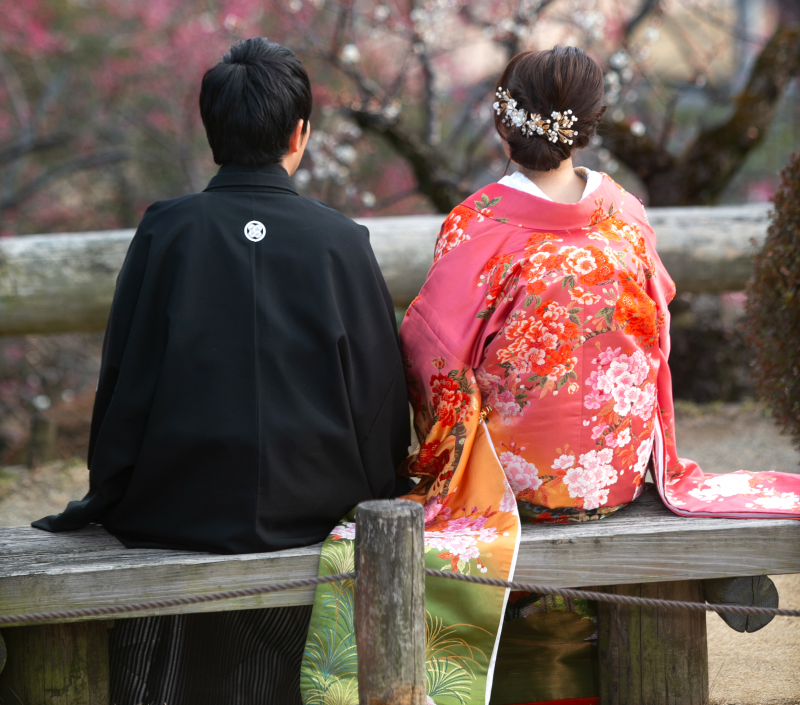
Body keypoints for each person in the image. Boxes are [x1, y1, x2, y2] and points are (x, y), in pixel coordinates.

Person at [302, 44, 800, 705]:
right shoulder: (625, 213)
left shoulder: (481, 223)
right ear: (589, 128)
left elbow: (431, 356)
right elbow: (657, 328)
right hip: (616, 473)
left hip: (516, 485)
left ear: (503, 125)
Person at [34, 38, 412, 705]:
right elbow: (379, 394)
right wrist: (376, 491)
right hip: (317, 507)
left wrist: (111, 489)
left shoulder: (165, 231)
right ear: (300, 134)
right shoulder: (340, 241)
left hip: (174, 506)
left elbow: (126, 376)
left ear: (212, 130)